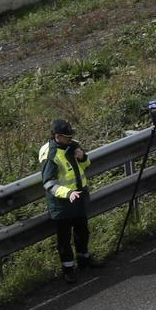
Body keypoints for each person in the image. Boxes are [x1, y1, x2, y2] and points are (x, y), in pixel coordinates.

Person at [40, 118, 100, 282]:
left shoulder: (73, 144)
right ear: (57, 136)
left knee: (82, 232)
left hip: (78, 197)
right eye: (67, 136)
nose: (70, 139)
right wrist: (68, 194)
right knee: (64, 239)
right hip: (62, 203)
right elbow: (48, 183)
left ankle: (84, 260)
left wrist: (82, 157)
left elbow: (85, 164)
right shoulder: (50, 154)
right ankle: (68, 269)